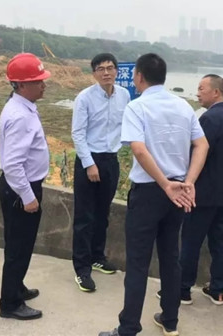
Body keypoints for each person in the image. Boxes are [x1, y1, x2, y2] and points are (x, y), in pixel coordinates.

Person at [100, 53, 209, 336]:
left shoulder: (137, 107)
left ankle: (128, 327)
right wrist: (188, 181)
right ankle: (170, 320)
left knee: (138, 262)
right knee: (170, 257)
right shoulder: (183, 106)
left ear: (138, 76)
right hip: (178, 192)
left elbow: (138, 149)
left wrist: (164, 183)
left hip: (150, 192)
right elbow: (202, 145)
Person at [176, 74, 223, 306]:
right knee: (219, 241)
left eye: (201, 88)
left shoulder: (209, 119)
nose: (197, 93)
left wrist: (188, 181)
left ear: (216, 92)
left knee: (191, 241)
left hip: (203, 192)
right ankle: (218, 289)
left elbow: (198, 153)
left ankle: (182, 289)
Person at [0, 53, 51, 321]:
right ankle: (10, 303)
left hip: (20, 187)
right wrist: (28, 197)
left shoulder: (22, 106)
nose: (43, 85)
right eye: (38, 81)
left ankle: (16, 286)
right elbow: (13, 164)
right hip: (21, 188)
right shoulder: (20, 116)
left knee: (17, 244)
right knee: (19, 248)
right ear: (21, 85)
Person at [71, 53, 130, 292]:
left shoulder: (124, 95)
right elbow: (78, 133)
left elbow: (125, 126)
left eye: (110, 68)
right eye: (101, 69)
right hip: (89, 160)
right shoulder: (84, 98)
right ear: (94, 73)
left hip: (110, 160)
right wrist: (89, 164)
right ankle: (81, 268)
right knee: (84, 217)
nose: (106, 72)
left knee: (103, 214)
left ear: (117, 71)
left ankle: (97, 256)